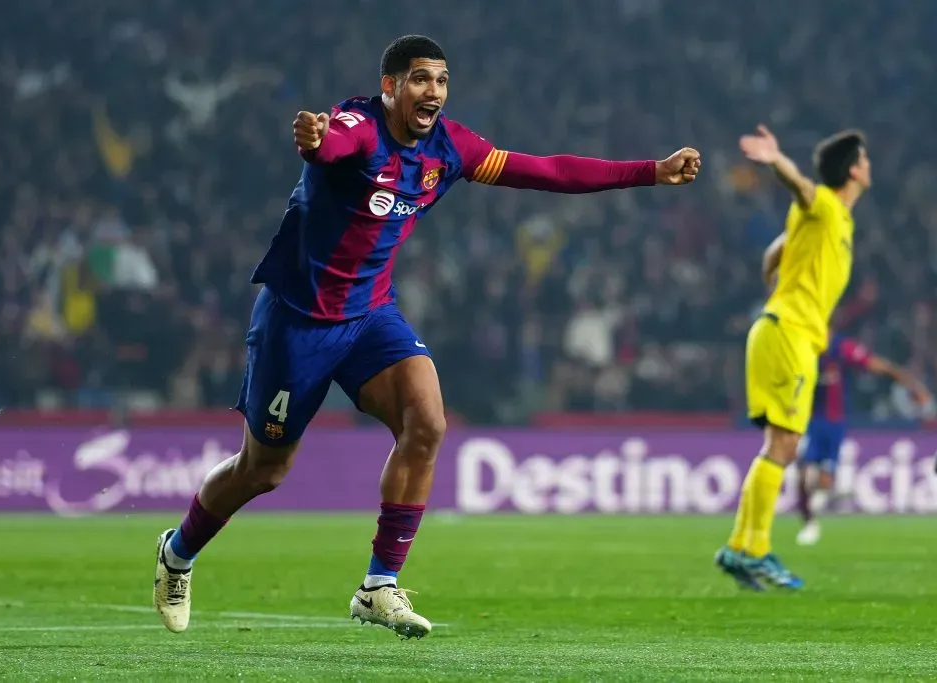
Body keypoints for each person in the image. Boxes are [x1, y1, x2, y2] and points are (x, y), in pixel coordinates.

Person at [153, 34, 702, 639]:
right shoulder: (359, 124)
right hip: (296, 323)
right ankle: (177, 553)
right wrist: (315, 143)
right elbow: (335, 144)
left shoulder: (452, 148)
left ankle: (378, 586)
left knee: (429, 423)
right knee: (263, 471)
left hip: (369, 317)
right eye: (420, 79)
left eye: (441, 80)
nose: (433, 91)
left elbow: (545, 171)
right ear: (390, 87)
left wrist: (650, 172)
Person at [715, 125, 869, 591]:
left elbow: (774, 253)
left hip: (784, 332)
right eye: (863, 158)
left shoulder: (834, 223)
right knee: (783, 446)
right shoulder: (825, 204)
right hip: (788, 334)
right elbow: (802, 189)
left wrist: (776, 277)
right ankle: (756, 551)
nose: (868, 164)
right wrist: (777, 160)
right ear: (853, 169)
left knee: (778, 447)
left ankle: (740, 548)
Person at [795, 333, 932, 546]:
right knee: (802, 475)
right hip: (809, 421)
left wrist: (913, 386)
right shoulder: (802, 347)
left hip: (834, 423)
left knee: (823, 479)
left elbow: (879, 366)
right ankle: (809, 523)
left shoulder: (842, 348)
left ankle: (826, 493)